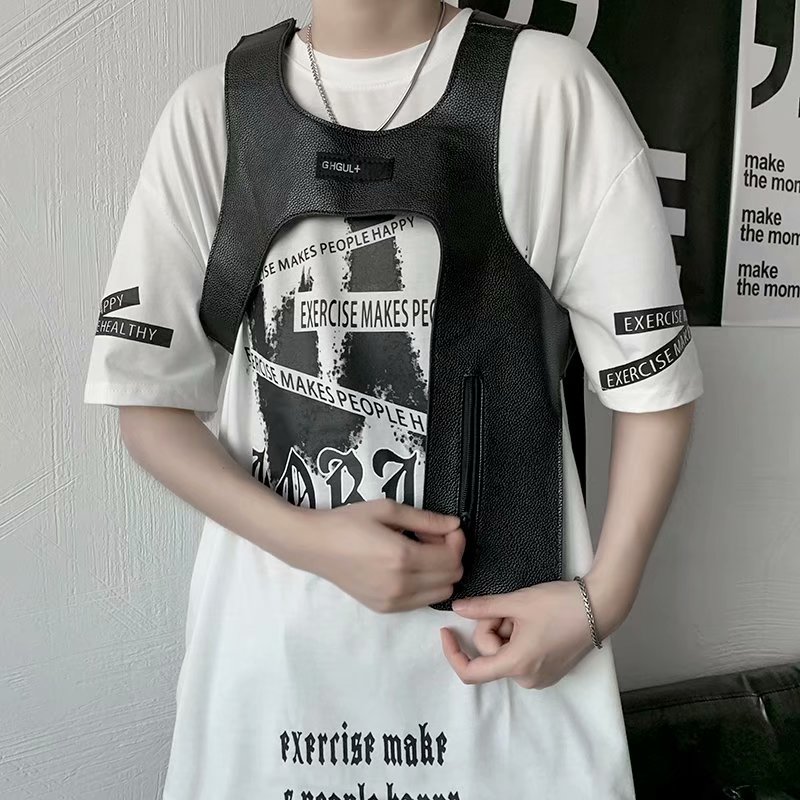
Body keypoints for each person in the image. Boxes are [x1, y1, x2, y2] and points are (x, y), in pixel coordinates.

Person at [83, 1, 703, 797]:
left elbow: (652, 380)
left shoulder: (548, 89)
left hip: (506, 668)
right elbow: (149, 402)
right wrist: (312, 542)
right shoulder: (215, 111)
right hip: (275, 677)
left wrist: (603, 600)